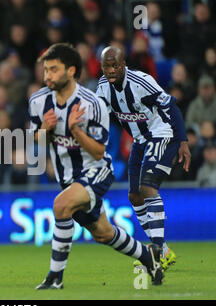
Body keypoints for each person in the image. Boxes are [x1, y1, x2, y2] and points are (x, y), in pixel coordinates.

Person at [29, 43, 163, 290]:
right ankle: (149, 257)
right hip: (68, 178)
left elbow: (99, 150)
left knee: (60, 206)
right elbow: (36, 140)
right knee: (102, 233)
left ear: (71, 71)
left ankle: (55, 278)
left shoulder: (92, 103)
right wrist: (44, 131)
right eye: (45, 70)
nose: (47, 75)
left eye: (53, 69)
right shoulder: (38, 102)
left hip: (96, 170)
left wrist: (75, 130)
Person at [96, 46, 191, 271]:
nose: (110, 70)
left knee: (148, 189)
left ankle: (156, 251)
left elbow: (171, 106)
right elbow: (99, 116)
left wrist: (183, 141)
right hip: (140, 141)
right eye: (106, 66)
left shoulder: (142, 82)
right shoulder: (102, 87)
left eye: (114, 65)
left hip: (162, 133)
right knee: (135, 196)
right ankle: (165, 251)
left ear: (123, 65)